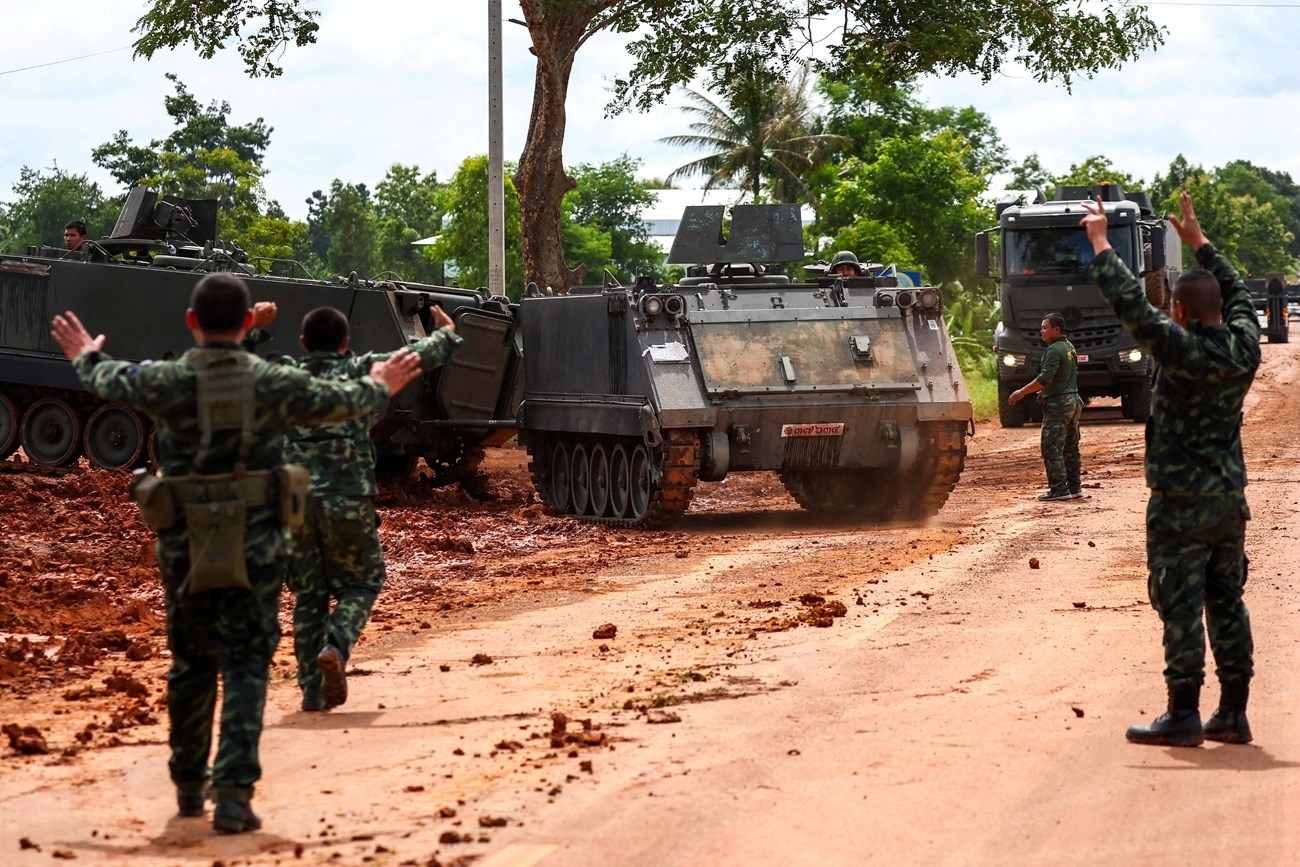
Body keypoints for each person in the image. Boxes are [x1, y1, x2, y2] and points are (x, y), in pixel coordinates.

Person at [49, 274, 424, 834]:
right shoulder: (271, 381)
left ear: (191, 322)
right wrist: (379, 383)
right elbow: (341, 401)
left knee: (191, 664)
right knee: (248, 664)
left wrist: (84, 353)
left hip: (186, 546)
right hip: (258, 546)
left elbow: (106, 377)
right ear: (249, 323)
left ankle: (188, 787)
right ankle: (232, 797)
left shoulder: (169, 380)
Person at [1080, 191, 1260, 747]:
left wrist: (1101, 242)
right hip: (1228, 503)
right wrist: (1201, 244)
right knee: (1226, 602)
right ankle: (1233, 712)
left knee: (1180, 603)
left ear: (1178, 311)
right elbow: (1239, 295)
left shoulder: (1180, 350)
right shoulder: (1244, 348)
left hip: (1180, 505)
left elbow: (1131, 305)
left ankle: (1183, 714)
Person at [255, 302, 461, 712]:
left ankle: (311, 691)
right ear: (345, 343)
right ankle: (336, 645)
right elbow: (417, 357)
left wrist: (252, 327)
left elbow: (241, 365)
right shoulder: (360, 369)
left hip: (296, 504)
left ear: (302, 343)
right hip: (347, 499)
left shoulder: (288, 376)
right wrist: (445, 332)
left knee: (309, 594)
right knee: (363, 583)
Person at [1006, 313, 1082, 501]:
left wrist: (1022, 392)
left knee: (1051, 447)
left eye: (1045, 327)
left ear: (1057, 329)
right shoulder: (1069, 346)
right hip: (1073, 400)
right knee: (1071, 448)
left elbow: (1045, 377)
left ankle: (1059, 490)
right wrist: (1045, 392)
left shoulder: (1054, 349)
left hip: (1059, 405)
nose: (1042, 331)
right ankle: (1074, 487)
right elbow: (1064, 375)